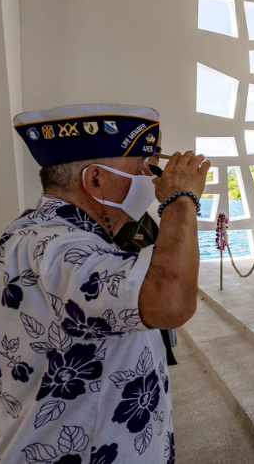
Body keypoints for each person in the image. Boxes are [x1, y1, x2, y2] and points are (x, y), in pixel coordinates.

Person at [0, 104, 210, 464]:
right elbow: (170, 301)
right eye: (142, 168)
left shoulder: (38, 233)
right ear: (96, 180)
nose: (154, 180)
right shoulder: (59, 247)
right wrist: (181, 200)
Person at [113, 130, 177, 366]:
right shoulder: (111, 220)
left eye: (158, 153)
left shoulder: (141, 217)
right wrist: (180, 203)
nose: (154, 161)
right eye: (147, 154)